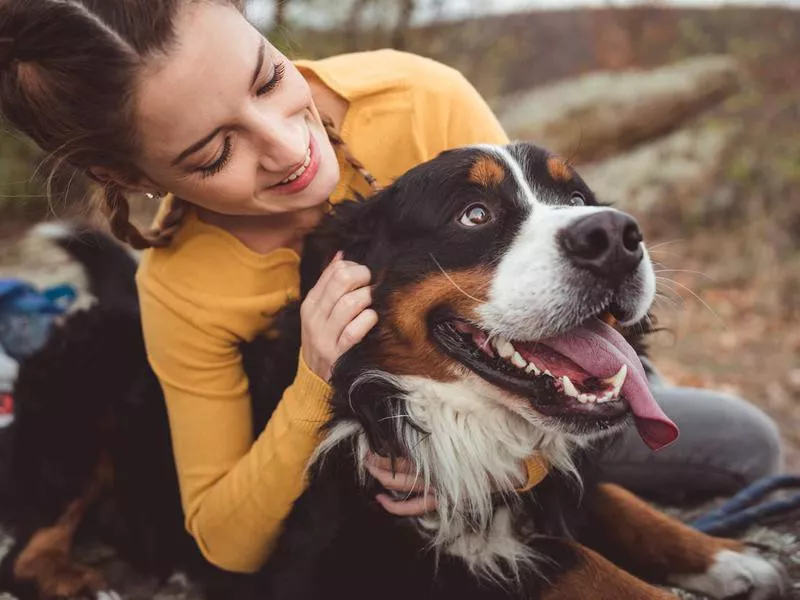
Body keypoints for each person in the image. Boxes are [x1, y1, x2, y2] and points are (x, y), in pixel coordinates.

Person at [0, 0, 782, 575]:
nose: (286, 147)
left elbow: (531, 250)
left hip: (519, 369)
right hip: (347, 435)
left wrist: (527, 467)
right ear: (130, 176)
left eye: (269, 77)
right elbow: (225, 539)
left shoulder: (418, 97)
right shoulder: (184, 291)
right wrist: (315, 376)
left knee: (741, 441)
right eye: (213, 154)